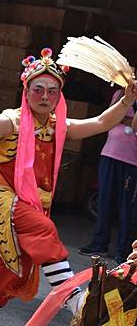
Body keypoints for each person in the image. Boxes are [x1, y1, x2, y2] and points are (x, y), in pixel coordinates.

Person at [0, 48, 137, 326]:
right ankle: (77, 300)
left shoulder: (57, 126)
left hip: (33, 207)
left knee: (10, 276)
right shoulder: (9, 121)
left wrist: (127, 99)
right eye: (38, 89)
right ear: (26, 90)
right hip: (5, 202)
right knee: (45, 231)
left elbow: (101, 122)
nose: (44, 97)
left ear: (59, 96)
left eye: (52, 91)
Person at [78, 89, 137, 264]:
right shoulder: (120, 93)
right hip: (110, 153)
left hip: (132, 160)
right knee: (104, 200)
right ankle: (99, 243)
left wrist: (124, 118)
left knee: (126, 207)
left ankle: (123, 250)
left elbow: (133, 125)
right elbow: (110, 118)